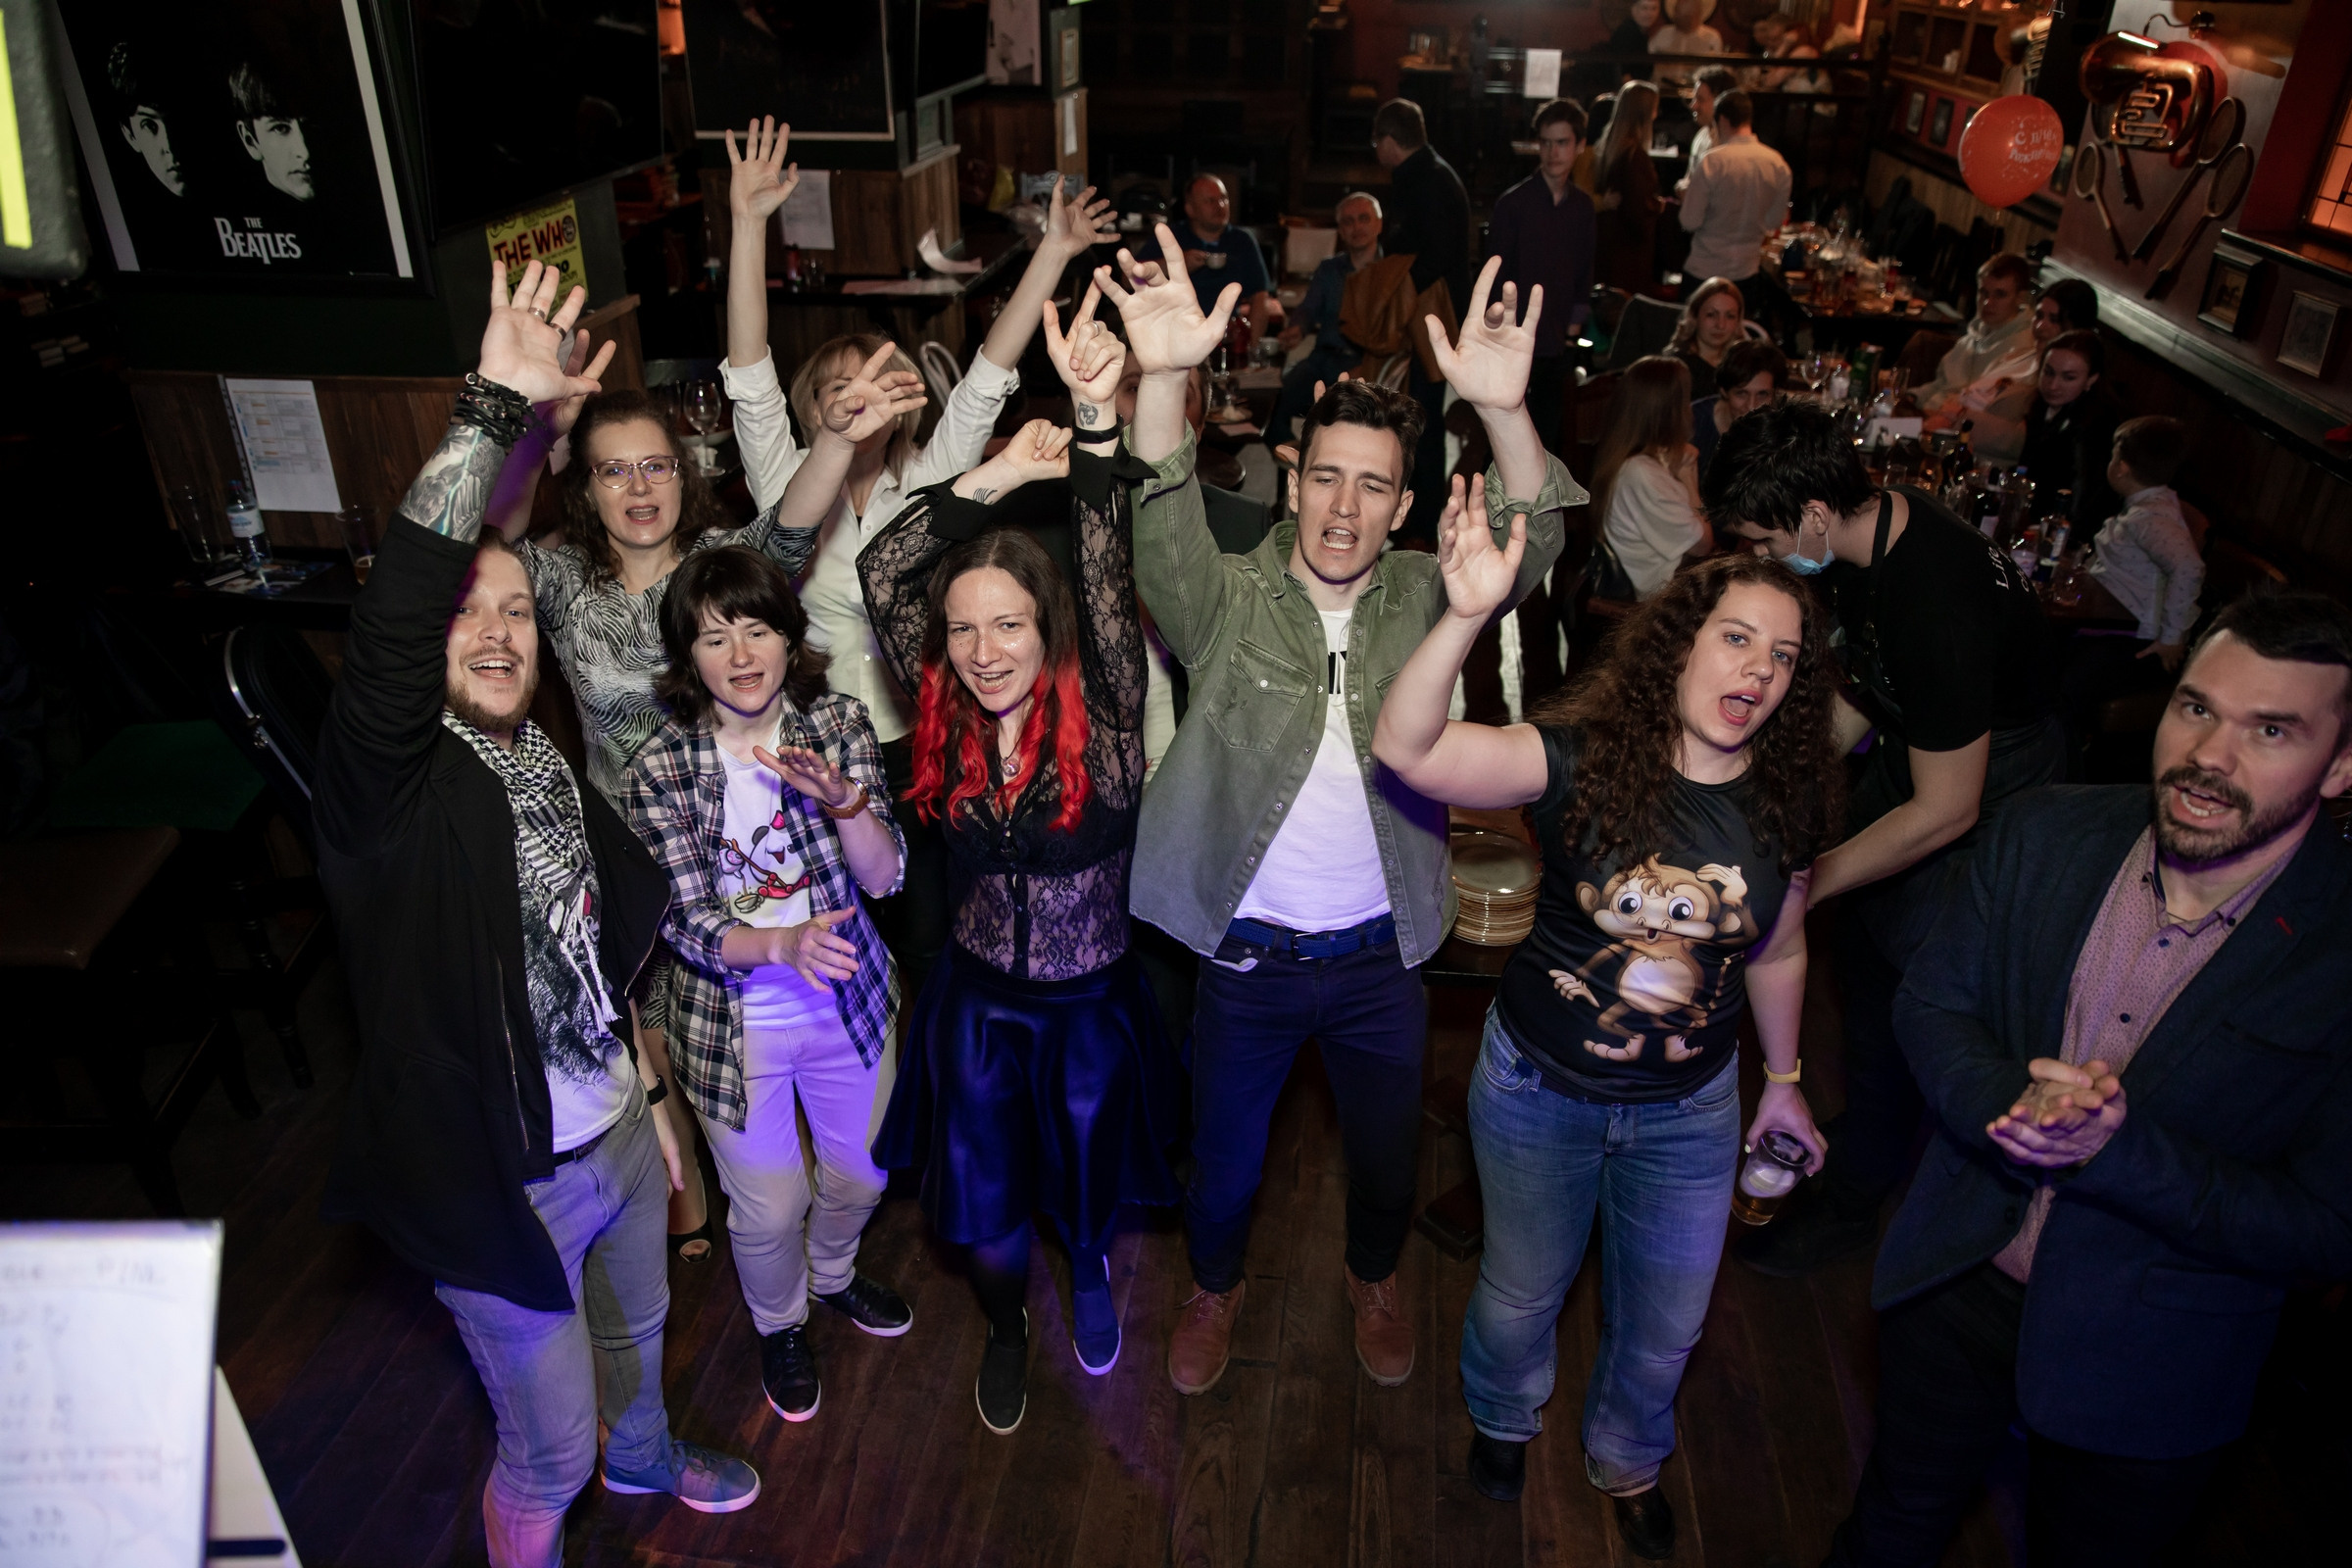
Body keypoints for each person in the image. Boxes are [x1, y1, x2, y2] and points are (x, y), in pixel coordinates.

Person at [316, 261, 759, 1567]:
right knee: (542, 1451)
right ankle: (561, 1505)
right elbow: (406, 611)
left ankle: (648, 1457)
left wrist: (652, 1104)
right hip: (501, 1188)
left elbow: (581, 940)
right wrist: (493, 409)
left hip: (615, 1136)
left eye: (517, 610)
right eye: (472, 612)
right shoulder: (384, 786)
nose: (499, 630)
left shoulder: (528, 750)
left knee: (637, 1346)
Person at [1104, 234, 1575, 1397]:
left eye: (1373, 485)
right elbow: (1157, 523)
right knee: (1223, 1167)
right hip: (1247, 961)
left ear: (1404, 504)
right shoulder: (1227, 594)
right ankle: (1215, 1286)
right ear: (1289, 472)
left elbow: (1539, 539)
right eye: (1326, 476)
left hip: (1381, 960)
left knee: (1383, 1159)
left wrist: (1507, 416)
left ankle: (1374, 1274)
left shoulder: (1430, 591)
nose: (1345, 506)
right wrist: (1162, 378)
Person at [1823, 590, 2352, 1568]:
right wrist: (2012, 1108)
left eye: (2271, 730)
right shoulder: (2044, 832)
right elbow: (1931, 1006)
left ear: (2343, 762)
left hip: (2155, 1355)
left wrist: (2117, 1151)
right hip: (1957, 1282)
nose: (2209, 758)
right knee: (1889, 1528)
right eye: (2196, 708)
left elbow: (2326, 1223)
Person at [1374, 539, 1840, 1554]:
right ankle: (1502, 1417)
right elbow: (1410, 751)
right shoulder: (1579, 753)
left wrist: (1787, 1083)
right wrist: (1463, 616)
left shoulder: (1789, 796)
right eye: (1737, 638)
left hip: (1692, 1109)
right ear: (1678, 645)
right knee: (1522, 1288)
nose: (1760, 670)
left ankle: (1629, 1456)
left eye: (1786, 655)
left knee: (1672, 1319)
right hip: (1540, 1087)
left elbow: (1781, 944)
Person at [861, 305, 1184, 1436]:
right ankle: (1007, 1321)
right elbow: (881, 563)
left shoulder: (1103, 714)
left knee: (1084, 1195)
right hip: (977, 1008)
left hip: (1092, 1008)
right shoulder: (944, 705)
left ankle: (1087, 1270)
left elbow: (1104, 548)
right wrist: (994, 474)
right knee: (987, 1217)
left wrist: (1095, 420)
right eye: (961, 630)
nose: (984, 649)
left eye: (1007, 624)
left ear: (1050, 629)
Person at [719, 119, 1118, 1006]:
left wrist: (1051, 252)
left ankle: (938, 1080)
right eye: (836, 392)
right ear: (817, 409)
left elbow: (990, 372)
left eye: (875, 388)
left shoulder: (932, 479)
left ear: (899, 403)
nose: (857, 404)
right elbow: (747, 369)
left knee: (931, 929)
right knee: (840, 937)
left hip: (932, 737)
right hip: (819, 745)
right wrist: (748, 226)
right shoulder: (788, 484)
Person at [1706, 398, 2067, 1274]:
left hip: (2000, 791)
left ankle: (1858, 1197)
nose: (1756, 557)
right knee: (1863, 953)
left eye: (1761, 539)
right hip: (1921, 748)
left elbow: (1949, 807)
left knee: (1910, 985)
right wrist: (1774, 789)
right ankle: (1861, 1123)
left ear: (1816, 515)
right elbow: (1861, 684)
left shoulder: (1932, 597)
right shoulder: (1860, 539)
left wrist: (1814, 880)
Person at [620, 544, 909, 1427]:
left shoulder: (841, 727)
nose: (741, 656)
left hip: (847, 997)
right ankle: (780, 1324)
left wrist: (848, 807)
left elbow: (888, 876)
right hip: (730, 1018)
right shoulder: (659, 766)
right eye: (714, 639)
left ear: (791, 638)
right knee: (770, 1203)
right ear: (687, 655)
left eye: (758, 630)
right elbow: (684, 922)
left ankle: (833, 1274)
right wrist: (780, 944)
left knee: (861, 1175)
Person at [2057, 416, 2203, 761]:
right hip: (2111, 620)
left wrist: (2171, 636)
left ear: (2120, 468)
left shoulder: (2149, 519)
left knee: (2064, 685)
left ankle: (2061, 759)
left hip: (2131, 637)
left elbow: (2188, 567)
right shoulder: (2147, 507)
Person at [1372, 96, 1474, 542]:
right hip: (1427, 311)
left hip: (1429, 314)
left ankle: (1424, 517)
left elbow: (1434, 255)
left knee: (1423, 417)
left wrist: (1393, 288)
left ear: (1391, 141)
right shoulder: (1430, 173)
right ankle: (1419, 511)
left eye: (1378, 142)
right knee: (1418, 411)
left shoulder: (1427, 180)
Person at [1488, 99, 1597, 456]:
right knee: (1503, 436)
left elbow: (1584, 270)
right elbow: (1495, 275)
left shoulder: (1582, 207)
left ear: (1580, 146)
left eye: (1562, 142)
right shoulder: (1513, 204)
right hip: (1513, 337)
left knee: (1546, 437)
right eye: (1546, 142)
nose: (1553, 152)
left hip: (1556, 340)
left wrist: (1572, 334)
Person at [1923, 276, 2098, 465]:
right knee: (1890, 426)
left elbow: (2021, 440)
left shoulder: (2058, 383)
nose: (2040, 326)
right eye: (2038, 316)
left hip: (1972, 455)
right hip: (1936, 429)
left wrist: (1960, 417)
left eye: (2054, 320)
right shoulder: (2018, 355)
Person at [1268, 192, 1384, 457]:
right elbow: (1309, 309)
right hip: (1323, 358)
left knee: (1343, 420)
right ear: (1340, 230)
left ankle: (1325, 466)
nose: (1356, 227)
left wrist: (1369, 366)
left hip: (1365, 363)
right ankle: (1303, 463)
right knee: (1275, 402)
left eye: (1363, 219)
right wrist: (1297, 328)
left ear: (1378, 223)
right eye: (1348, 222)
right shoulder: (1329, 269)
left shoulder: (1390, 272)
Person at [1596, 356, 1710, 599]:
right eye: (1686, 400)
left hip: (1673, 581)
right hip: (1662, 595)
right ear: (1671, 411)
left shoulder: (1636, 461)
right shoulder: (1642, 474)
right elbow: (1702, 545)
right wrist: (1689, 477)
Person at [1678, 90, 1789, 289]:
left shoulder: (1713, 161)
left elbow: (1689, 221)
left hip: (1704, 269)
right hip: (1746, 272)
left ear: (1721, 120)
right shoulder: (1778, 164)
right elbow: (1773, 223)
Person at [2017, 328, 2122, 529]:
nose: (2053, 385)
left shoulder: (2095, 428)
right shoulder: (2043, 407)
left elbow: (2083, 506)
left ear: (2091, 380)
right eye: (2048, 373)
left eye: (2068, 377)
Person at [1909, 253, 2034, 407]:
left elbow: (1977, 405)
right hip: (1927, 413)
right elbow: (1942, 385)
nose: (1988, 302)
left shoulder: (2022, 349)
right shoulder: (1974, 335)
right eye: (1983, 293)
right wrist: (1912, 397)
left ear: (2020, 297)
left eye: (2000, 295)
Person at [1174, 172, 1281, 343]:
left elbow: (1260, 295)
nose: (1220, 206)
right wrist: (1176, 264)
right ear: (1190, 209)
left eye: (1223, 199)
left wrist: (1251, 345)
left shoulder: (1241, 240)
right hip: (1177, 332)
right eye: (1210, 201)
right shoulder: (1172, 237)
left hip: (1226, 334)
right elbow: (1129, 279)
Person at [1593, 80, 1665, 294]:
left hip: (1610, 245)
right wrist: (1657, 207)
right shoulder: (1635, 156)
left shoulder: (1611, 147)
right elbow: (1636, 208)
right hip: (1628, 252)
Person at [1691, 338, 1787, 475]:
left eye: (1762, 394)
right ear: (1724, 391)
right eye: (1741, 394)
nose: (1752, 406)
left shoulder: (1781, 430)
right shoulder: (1694, 423)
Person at [1666, 273, 1745, 385]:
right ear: (1694, 315)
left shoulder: (1743, 366)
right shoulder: (1675, 367)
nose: (1720, 325)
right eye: (1711, 315)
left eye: (1730, 316)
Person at [1648, 0, 1725, 92]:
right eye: (1677, 12)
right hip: (1663, 92)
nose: (1677, 17)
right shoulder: (1663, 33)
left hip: (1694, 93)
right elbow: (1647, 58)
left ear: (1697, 15)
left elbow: (1718, 70)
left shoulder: (1711, 38)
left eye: (1686, 16)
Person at [1680, 66, 1739, 177]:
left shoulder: (1730, 144)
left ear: (1720, 102)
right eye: (1694, 98)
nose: (1693, 106)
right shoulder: (1701, 135)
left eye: (1700, 99)